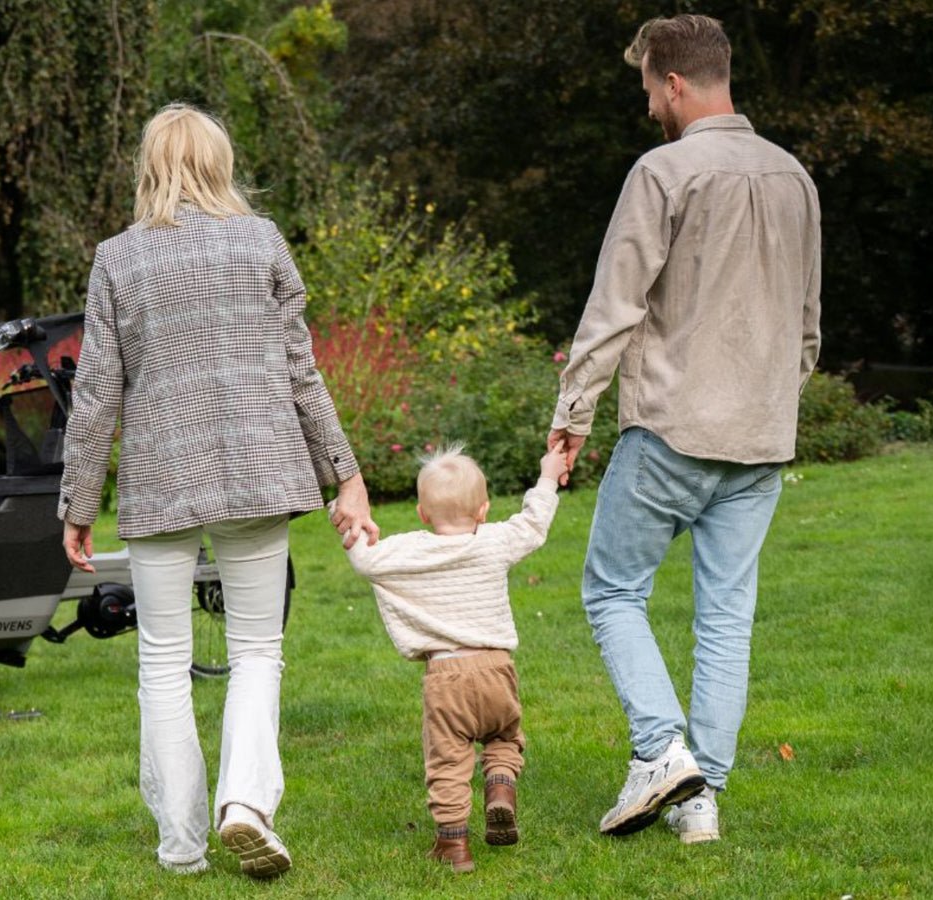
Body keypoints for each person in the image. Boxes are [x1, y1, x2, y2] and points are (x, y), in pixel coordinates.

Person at [57, 103, 380, 878]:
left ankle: (181, 845)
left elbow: (95, 392)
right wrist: (347, 473)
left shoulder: (117, 259)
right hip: (260, 470)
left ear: (151, 168)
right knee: (257, 652)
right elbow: (302, 371)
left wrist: (77, 504)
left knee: (162, 664)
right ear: (218, 164)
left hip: (161, 478)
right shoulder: (260, 241)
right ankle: (244, 803)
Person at [547, 14, 822, 843]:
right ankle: (701, 803)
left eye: (647, 91)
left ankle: (661, 751)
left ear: (672, 83)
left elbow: (615, 305)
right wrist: (772, 401)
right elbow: (807, 328)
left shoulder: (662, 171)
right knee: (726, 617)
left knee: (611, 590)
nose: (647, 109)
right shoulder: (795, 178)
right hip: (761, 439)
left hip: (672, 428)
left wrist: (572, 415)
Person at [343, 446, 564, 873]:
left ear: (422, 513)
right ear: (483, 509)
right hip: (497, 669)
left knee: (448, 759)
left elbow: (366, 561)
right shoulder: (494, 540)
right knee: (504, 736)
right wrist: (548, 477)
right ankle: (500, 788)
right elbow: (534, 524)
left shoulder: (413, 549)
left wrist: (350, 518)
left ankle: (454, 845)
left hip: (446, 676)